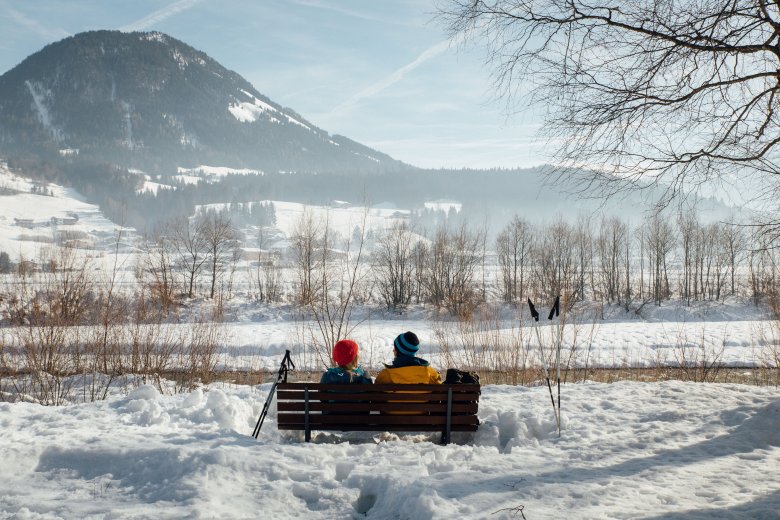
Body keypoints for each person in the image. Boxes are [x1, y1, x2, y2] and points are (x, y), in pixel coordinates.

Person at [375, 331, 441, 384]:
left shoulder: (385, 375)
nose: (393, 350)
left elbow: (375, 395)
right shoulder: (430, 373)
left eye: (395, 348)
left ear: (399, 351)